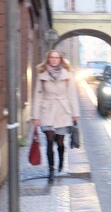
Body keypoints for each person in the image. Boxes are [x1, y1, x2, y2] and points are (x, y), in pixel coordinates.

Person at [32, 50, 80, 183]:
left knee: (60, 142)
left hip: (63, 111)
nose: (54, 60)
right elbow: (38, 96)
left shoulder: (67, 74)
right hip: (47, 110)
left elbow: (72, 95)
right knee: (49, 140)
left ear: (60, 59)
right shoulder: (42, 74)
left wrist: (75, 114)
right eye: (51, 57)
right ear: (48, 59)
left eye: (56, 57)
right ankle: (51, 170)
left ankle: (61, 161)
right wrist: (35, 116)